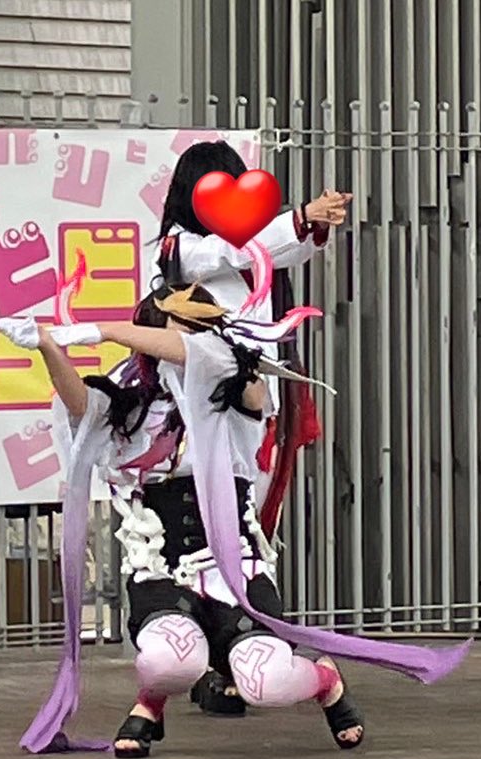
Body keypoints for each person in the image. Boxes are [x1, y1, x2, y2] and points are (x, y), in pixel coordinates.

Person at [0, 284, 471, 757]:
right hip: (162, 569)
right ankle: (152, 698)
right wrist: (47, 346)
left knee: (265, 683)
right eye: (181, 322)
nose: (193, 335)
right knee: (167, 662)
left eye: (200, 325)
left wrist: (100, 330)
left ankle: (325, 679)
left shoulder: (234, 378)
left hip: (234, 568)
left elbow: (197, 356)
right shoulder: (134, 400)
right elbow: (83, 406)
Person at [153, 140, 351, 715]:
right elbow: (225, 253)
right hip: (198, 413)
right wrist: (300, 217)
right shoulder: (177, 248)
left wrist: (312, 223)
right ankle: (213, 659)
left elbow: (283, 250)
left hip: (255, 406)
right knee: (201, 535)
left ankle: (242, 651)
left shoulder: (251, 248)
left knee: (252, 527)